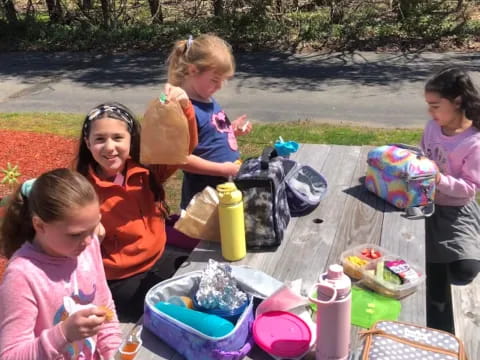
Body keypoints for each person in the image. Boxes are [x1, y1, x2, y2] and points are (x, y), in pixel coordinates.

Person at [75, 100, 197, 321]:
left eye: (118, 138)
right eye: (100, 139)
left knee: (203, 282)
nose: (110, 147)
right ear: (87, 142)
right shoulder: (81, 191)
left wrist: (185, 108)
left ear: (131, 139)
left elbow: (181, 147)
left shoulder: (147, 171)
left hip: (160, 257)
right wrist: (89, 235)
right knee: (177, 314)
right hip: (121, 280)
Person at [0, 169, 121, 359]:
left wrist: (114, 352)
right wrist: (63, 333)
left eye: (94, 227)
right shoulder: (22, 276)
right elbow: (11, 355)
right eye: (75, 234)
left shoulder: (88, 246)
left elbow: (105, 309)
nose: (89, 240)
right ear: (39, 225)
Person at [421, 66, 480, 332]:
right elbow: (424, 154)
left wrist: (439, 179)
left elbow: (469, 188)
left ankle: (440, 289)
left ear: (457, 101)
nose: (431, 113)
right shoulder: (433, 127)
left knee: (466, 270)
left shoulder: (474, 142)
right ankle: (436, 302)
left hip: (456, 209)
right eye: (429, 107)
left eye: (435, 106)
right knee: (429, 261)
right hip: (425, 201)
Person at [166, 34, 253, 209]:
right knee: (207, 237)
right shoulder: (184, 108)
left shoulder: (207, 98)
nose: (220, 86)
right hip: (203, 196)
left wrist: (231, 130)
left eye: (223, 81)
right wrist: (223, 169)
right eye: (215, 80)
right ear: (192, 70)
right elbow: (181, 159)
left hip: (224, 187)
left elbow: (208, 132)